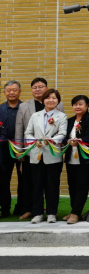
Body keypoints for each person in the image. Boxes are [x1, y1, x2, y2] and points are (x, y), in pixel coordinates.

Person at [16, 78, 64, 221]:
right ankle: (37, 213)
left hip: (53, 153)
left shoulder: (61, 115)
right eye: (48, 98)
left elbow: (62, 133)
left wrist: (51, 140)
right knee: (36, 184)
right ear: (43, 100)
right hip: (35, 153)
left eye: (53, 98)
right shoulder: (34, 115)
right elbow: (26, 132)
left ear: (57, 101)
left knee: (52, 185)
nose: (50, 100)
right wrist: (33, 142)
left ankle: (51, 213)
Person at [64, 94, 89, 224]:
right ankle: (74, 210)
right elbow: (65, 136)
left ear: (87, 105)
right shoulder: (70, 120)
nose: (77, 106)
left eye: (80, 104)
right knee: (72, 185)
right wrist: (68, 141)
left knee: (82, 186)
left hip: (84, 158)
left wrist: (80, 140)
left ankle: (76, 213)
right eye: (75, 104)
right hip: (71, 158)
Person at [0, 81, 23, 218]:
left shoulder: (25, 108)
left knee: (24, 180)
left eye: (14, 90)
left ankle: (22, 207)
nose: (11, 93)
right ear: (4, 93)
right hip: (4, 150)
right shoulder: (0, 109)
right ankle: (5, 209)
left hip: (23, 149)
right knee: (3, 180)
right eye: (8, 90)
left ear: (19, 92)